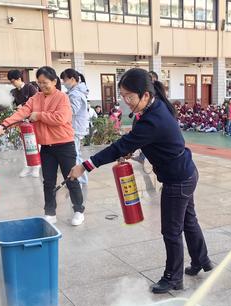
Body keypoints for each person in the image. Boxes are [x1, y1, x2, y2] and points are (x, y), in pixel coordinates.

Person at [68, 68, 213, 293]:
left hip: (178, 179)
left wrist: (86, 165)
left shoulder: (152, 119)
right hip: (185, 172)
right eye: (123, 96)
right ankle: (201, 260)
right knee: (188, 220)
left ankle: (173, 278)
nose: (126, 101)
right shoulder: (156, 107)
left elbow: (122, 144)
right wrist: (132, 147)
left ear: (145, 95)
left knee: (171, 231)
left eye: (130, 97)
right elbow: (139, 141)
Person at [0, 66, 85, 226]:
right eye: (39, 83)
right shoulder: (35, 98)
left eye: (45, 83)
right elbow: (21, 113)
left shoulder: (62, 98)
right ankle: (50, 213)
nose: (42, 86)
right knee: (48, 181)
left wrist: (39, 115)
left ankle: (78, 210)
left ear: (54, 81)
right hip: (46, 148)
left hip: (65, 145)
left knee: (71, 178)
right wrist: (4, 125)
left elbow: (61, 118)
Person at [7, 69, 40, 178]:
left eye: (13, 81)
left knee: (34, 145)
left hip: (33, 122)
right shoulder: (13, 92)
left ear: (19, 78)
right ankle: (27, 167)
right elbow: (6, 103)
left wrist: (23, 105)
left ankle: (36, 167)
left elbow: (36, 100)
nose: (12, 84)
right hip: (22, 123)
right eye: (11, 82)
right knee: (24, 146)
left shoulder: (30, 88)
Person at [60, 68, 90, 184]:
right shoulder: (76, 91)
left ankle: (80, 181)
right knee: (76, 153)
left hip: (75, 128)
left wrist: (60, 111)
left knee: (74, 154)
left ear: (72, 79)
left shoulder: (75, 93)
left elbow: (72, 110)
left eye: (64, 80)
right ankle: (82, 180)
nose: (63, 83)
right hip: (77, 127)